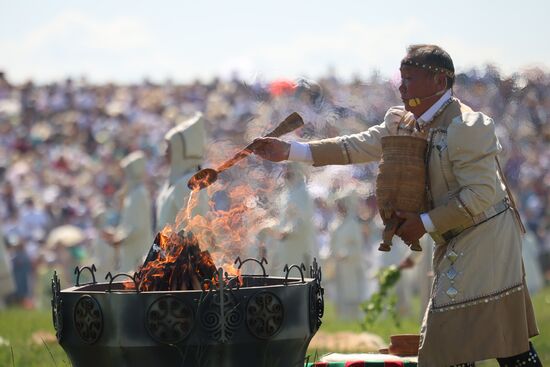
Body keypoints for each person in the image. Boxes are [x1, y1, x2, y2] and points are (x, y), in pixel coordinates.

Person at [251, 44, 541, 366]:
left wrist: (426, 222)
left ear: (440, 82)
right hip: (455, 237)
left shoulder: (467, 126)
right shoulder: (404, 122)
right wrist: (289, 150)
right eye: (401, 79)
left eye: (410, 79)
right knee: (472, 338)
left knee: (474, 335)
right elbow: (354, 146)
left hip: (486, 238)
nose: (402, 88)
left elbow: (482, 194)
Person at [156, 112, 209, 233]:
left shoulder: (188, 182)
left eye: (169, 147)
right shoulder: (175, 183)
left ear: (179, 150)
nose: (165, 152)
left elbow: (195, 229)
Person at [105, 151, 153, 273]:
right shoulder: (132, 194)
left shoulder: (139, 194)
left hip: (138, 251)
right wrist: (117, 234)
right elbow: (128, 224)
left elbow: (138, 227)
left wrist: (120, 238)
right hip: (129, 251)